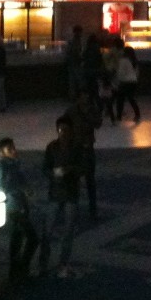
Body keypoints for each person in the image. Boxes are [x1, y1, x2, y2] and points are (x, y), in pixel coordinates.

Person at [39, 116, 82, 278]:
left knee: (68, 231)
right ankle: (43, 263)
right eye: (60, 130)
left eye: (66, 130)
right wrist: (54, 174)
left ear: (71, 131)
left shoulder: (76, 148)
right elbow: (45, 168)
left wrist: (70, 170)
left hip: (71, 193)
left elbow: (83, 168)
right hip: (55, 193)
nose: (63, 133)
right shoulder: (52, 147)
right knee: (47, 230)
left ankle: (63, 263)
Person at [0, 137, 39, 281]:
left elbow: (20, 179)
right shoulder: (2, 166)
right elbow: (0, 187)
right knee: (32, 238)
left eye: (13, 147)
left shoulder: (13, 163)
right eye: (10, 149)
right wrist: (18, 188)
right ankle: (21, 268)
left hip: (20, 202)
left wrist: (26, 188)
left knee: (17, 236)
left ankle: (15, 272)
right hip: (13, 205)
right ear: (1, 152)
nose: (14, 151)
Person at [64, 90, 101, 220]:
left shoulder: (92, 109)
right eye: (83, 96)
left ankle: (93, 209)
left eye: (87, 97)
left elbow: (98, 123)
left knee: (90, 180)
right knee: (74, 180)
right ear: (78, 98)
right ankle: (73, 209)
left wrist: (89, 116)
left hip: (87, 147)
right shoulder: (71, 111)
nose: (85, 99)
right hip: (75, 149)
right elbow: (64, 125)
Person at [113, 45, 141, 125]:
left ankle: (118, 116)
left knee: (120, 99)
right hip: (133, 82)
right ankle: (137, 114)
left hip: (125, 82)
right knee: (131, 98)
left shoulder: (123, 60)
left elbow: (121, 73)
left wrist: (117, 81)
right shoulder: (134, 60)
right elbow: (137, 72)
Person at [64, 25, 84, 101]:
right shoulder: (77, 40)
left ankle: (72, 96)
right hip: (76, 62)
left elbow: (68, 51)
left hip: (71, 62)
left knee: (72, 81)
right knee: (78, 81)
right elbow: (76, 51)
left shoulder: (71, 40)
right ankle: (78, 97)